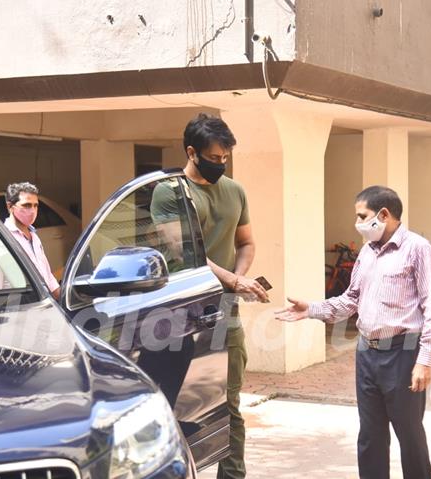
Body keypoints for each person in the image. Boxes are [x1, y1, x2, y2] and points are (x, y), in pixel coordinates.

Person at [276, 186, 431, 479]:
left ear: (384, 214)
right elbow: (351, 299)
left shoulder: (418, 249)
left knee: (410, 435)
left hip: (403, 353)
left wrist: (426, 359)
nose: (358, 223)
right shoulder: (367, 251)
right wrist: (312, 309)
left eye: (362, 216)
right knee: (370, 435)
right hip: (367, 353)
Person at [151, 113, 268, 479]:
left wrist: (241, 278)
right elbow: (186, 254)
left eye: (225, 158)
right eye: (214, 157)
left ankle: (232, 474)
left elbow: (246, 242)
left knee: (229, 403)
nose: (221, 164)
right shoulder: (169, 192)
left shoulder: (235, 191)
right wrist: (233, 280)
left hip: (223, 313)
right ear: (192, 151)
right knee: (177, 405)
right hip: (178, 314)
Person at [3, 182, 61, 300]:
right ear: (10, 206)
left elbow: (47, 276)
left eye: (35, 205)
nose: (33, 210)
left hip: (43, 305)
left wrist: (62, 300)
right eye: (27, 205)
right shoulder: (3, 238)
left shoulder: (34, 236)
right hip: (20, 308)